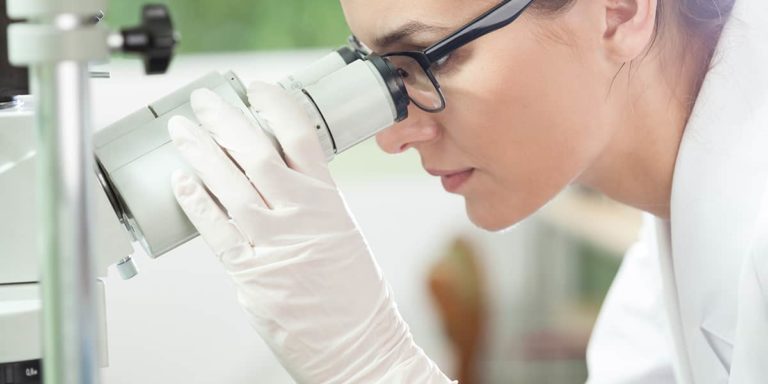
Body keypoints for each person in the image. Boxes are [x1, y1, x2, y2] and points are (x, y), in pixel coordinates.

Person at [166, 0, 768, 382]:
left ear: (618, 11)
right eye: (378, 71)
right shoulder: (673, 228)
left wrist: (373, 367)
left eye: (430, 60)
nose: (394, 137)